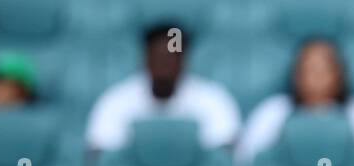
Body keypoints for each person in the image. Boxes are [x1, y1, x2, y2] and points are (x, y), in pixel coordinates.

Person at [235, 37, 354, 166]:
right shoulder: (274, 110)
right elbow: (244, 161)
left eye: (324, 69)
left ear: (339, 74)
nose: (316, 76)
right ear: (296, 75)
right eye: (309, 69)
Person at [85, 21, 241, 152]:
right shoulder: (115, 100)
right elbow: (100, 157)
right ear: (144, 59)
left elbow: (225, 158)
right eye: (158, 56)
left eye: (171, 56)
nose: (164, 63)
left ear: (184, 60)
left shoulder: (213, 99)